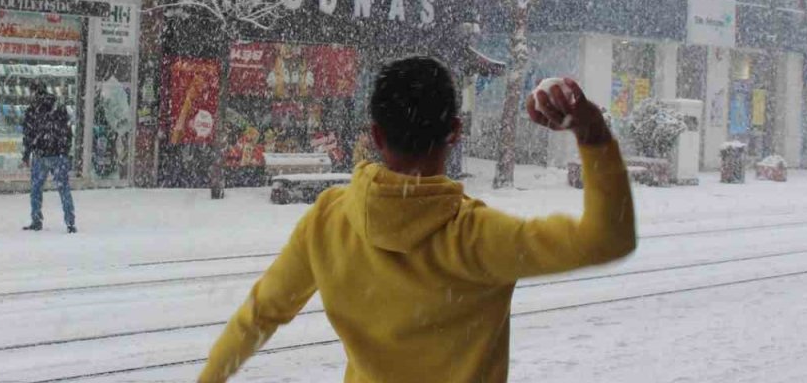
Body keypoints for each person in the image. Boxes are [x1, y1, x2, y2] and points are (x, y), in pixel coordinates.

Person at [198, 56, 636, 382]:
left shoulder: (329, 219)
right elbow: (606, 239)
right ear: (455, 132)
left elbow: (259, 316)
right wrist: (591, 132)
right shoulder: (479, 239)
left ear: (376, 135)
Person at [21, 87, 77, 233]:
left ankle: (36, 220)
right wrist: (64, 150)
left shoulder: (33, 111)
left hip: (41, 155)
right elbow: (68, 132)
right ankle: (70, 222)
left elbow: (28, 135)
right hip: (59, 155)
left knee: (36, 189)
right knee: (63, 188)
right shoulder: (60, 109)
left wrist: (27, 154)